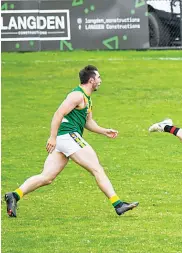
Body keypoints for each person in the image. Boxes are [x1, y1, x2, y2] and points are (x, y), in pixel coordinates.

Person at [4, 65, 138, 217]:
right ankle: (118, 204)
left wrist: (104, 131)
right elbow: (58, 113)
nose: (101, 81)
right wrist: (52, 137)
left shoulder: (87, 99)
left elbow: (88, 122)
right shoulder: (77, 95)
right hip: (68, 136)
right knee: (96, 168)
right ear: (91, 80)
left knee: (46, 177)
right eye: (99, 78)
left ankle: (14, 195)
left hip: (65, 140)